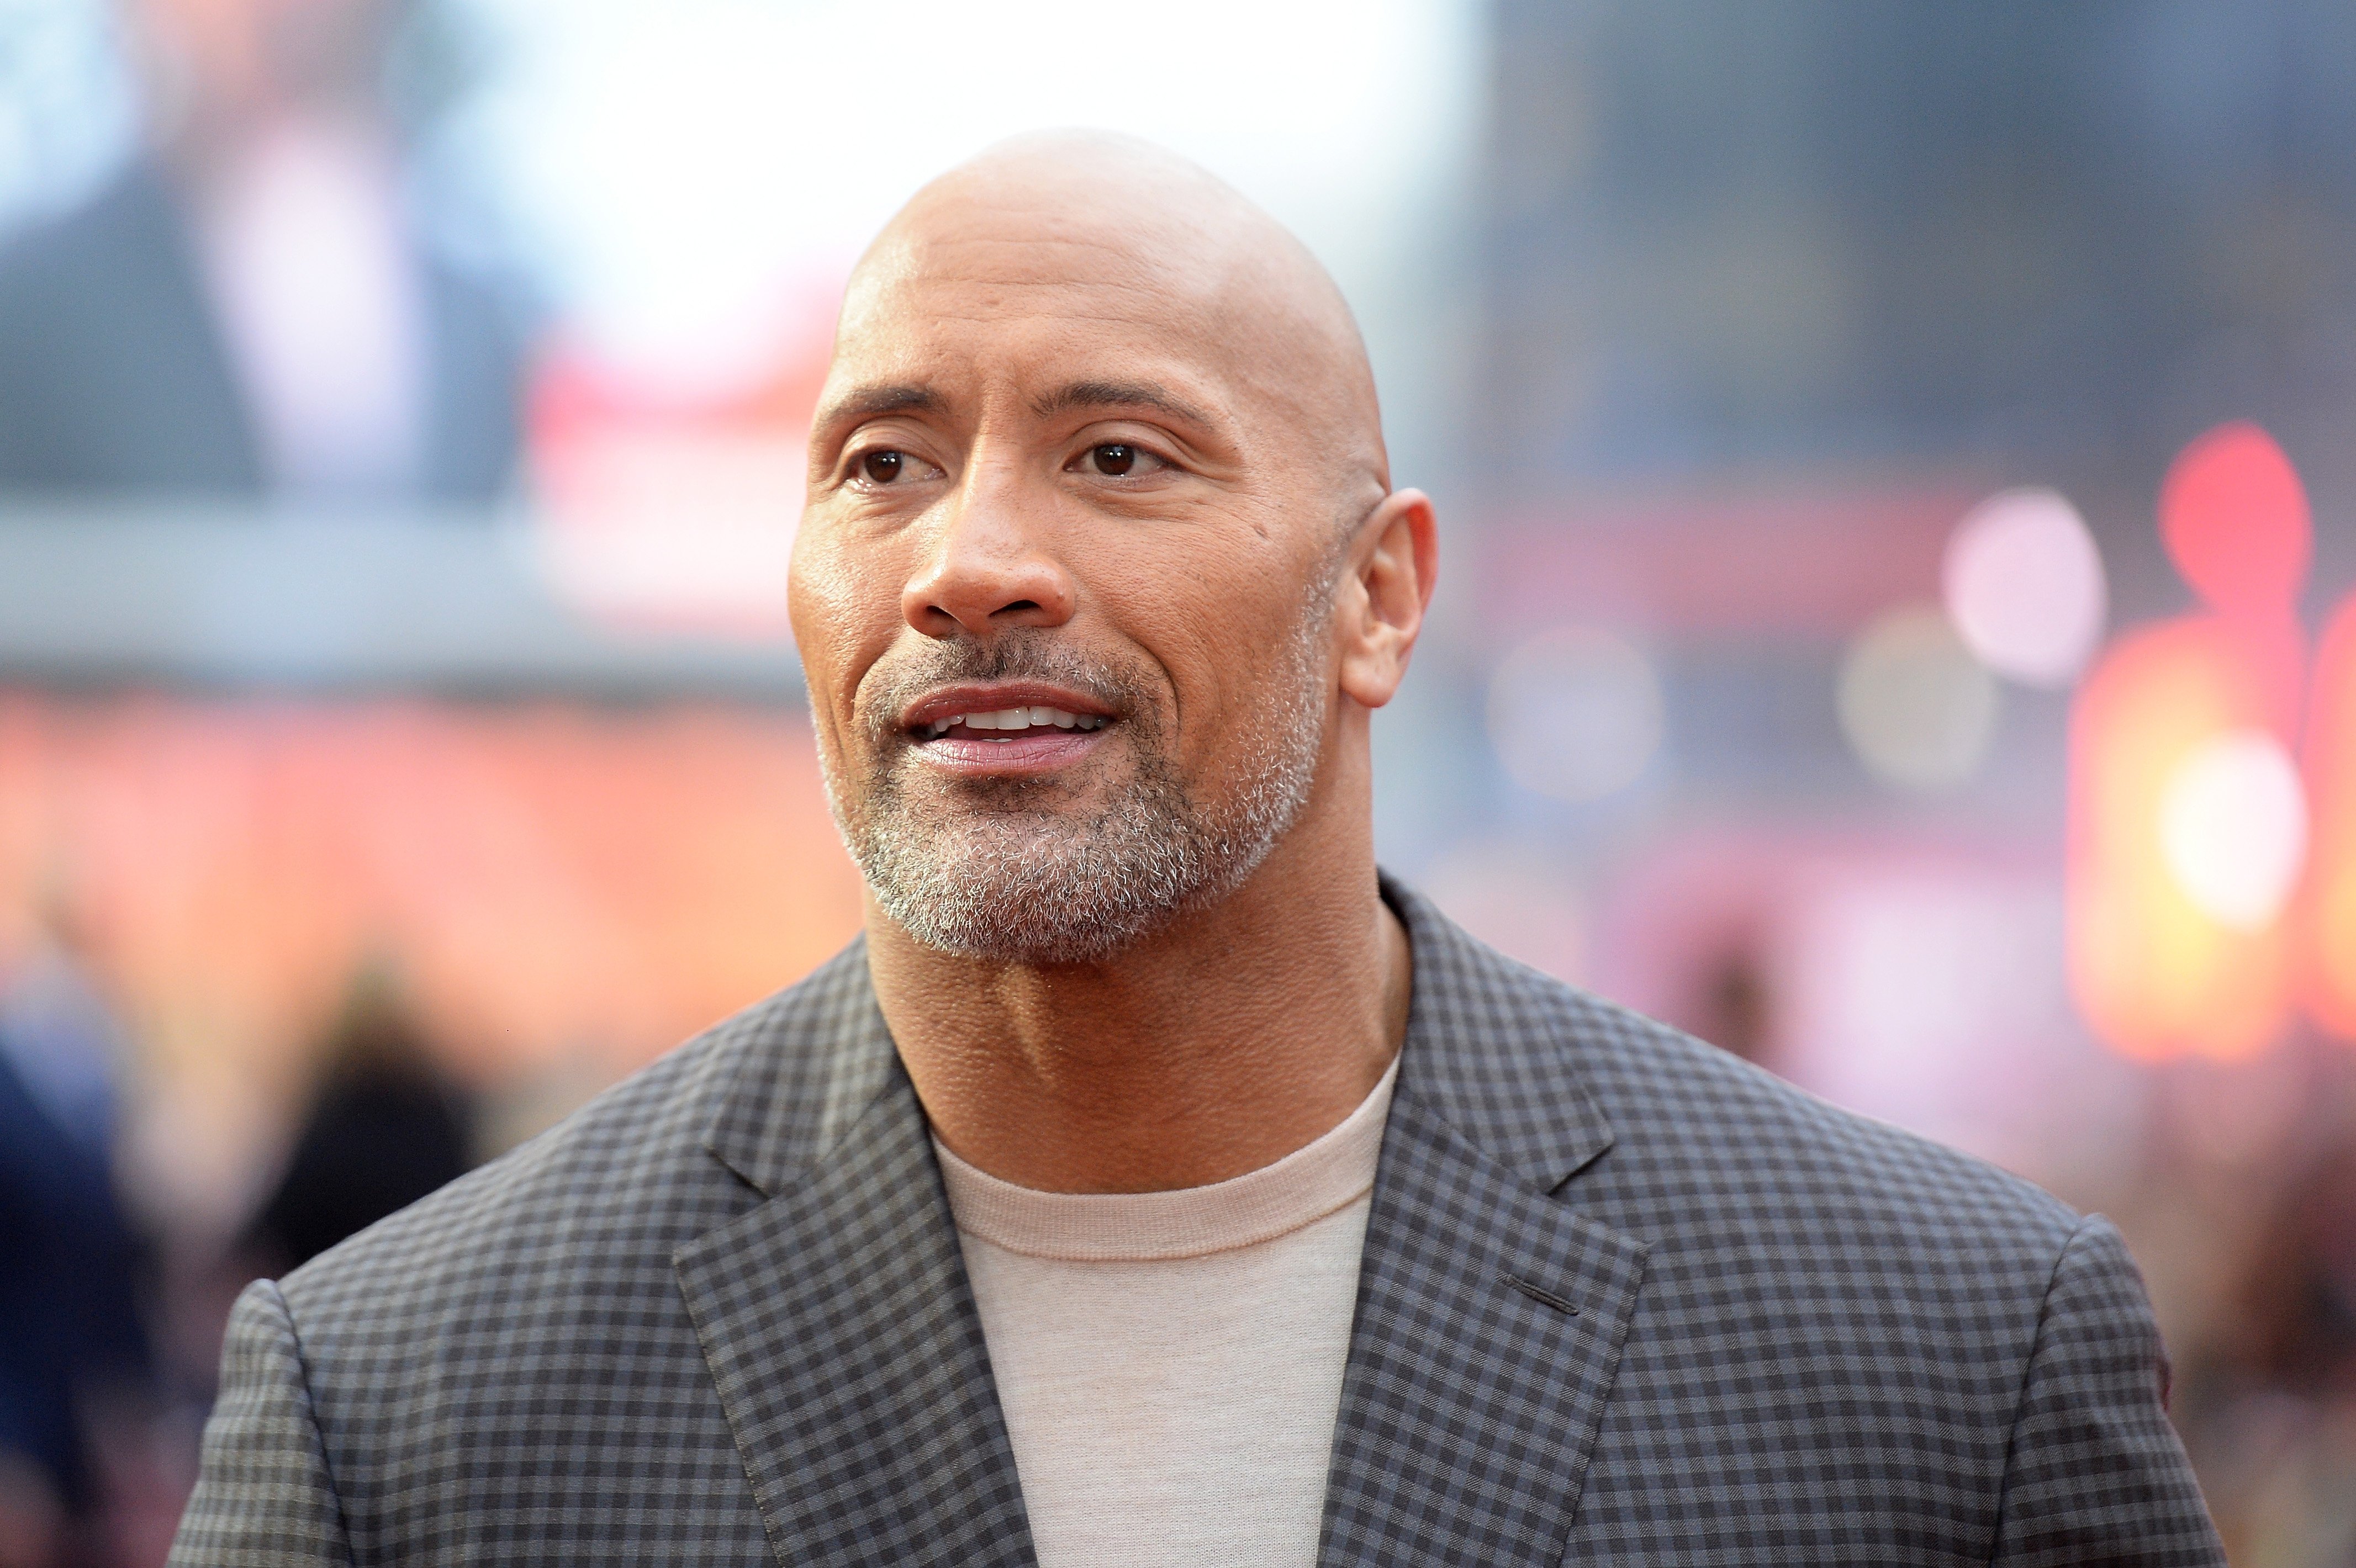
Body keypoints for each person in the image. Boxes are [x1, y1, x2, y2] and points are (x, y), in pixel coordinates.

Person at [167, 133, 2222, 1565]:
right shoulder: (406, 1404)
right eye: (879, 463)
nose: (967, 563)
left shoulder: (1941, 1355)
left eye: (1116, 454)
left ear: (1379, 599)